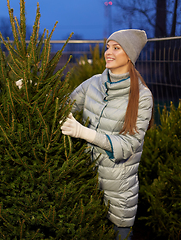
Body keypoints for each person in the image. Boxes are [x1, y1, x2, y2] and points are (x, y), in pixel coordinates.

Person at [61, 29, 153, 240]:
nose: (108, 53)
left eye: (116, 48)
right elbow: (63, 104)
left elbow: (129, 145)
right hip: (86, 186)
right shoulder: (93, 83)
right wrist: (32, 89)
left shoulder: (142, 96)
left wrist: (85, 133)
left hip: (118, 195)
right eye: (107, 47)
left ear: (129, 55)